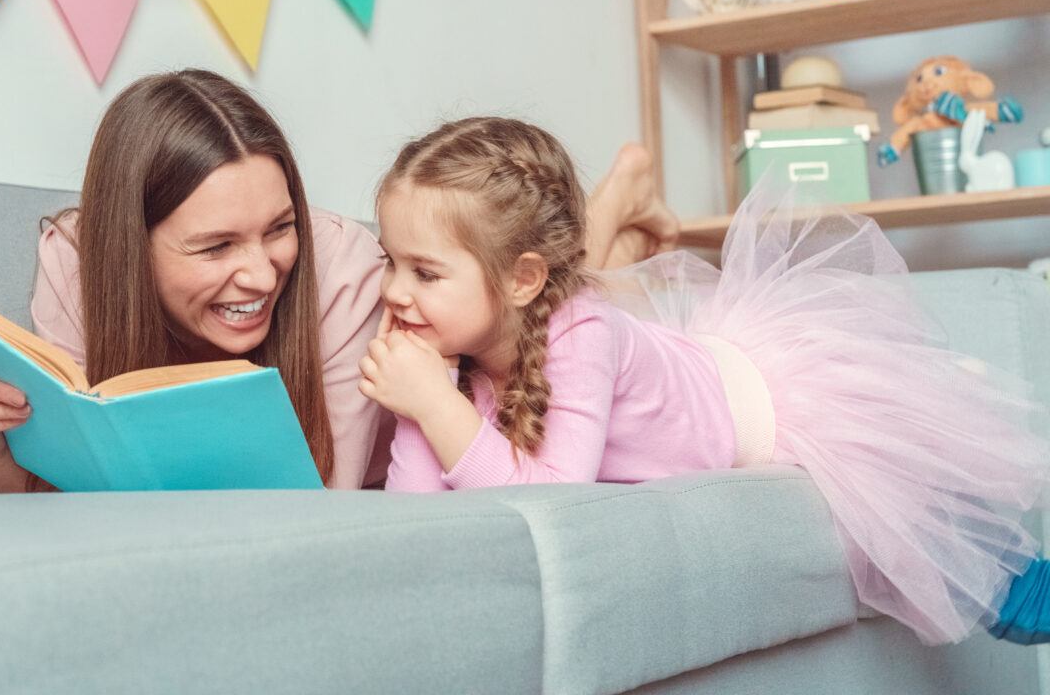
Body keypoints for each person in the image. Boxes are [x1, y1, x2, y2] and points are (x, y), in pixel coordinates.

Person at [359, 114, 1050, 646]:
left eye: (424, 272)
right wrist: (423, 400)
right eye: (391, 263)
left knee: (955, 555)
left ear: (523, 279)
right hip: (674, 378)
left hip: (766, 404)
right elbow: (418, 518)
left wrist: (428, 403)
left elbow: (555, 501)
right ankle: (630, 216)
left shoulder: (581, 331)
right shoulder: (453, 356)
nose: (395, 290)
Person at [0, 69, 678, 493]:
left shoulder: (350, 273)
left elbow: (332, 509)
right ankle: (614, 208)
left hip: (549, 330)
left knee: (566, 313)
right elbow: (61, 509)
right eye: (216, 245)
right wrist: (0, 448)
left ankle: (610, 208)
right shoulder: (73, 259)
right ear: (130, 247)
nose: (261, 272)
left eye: (279, 228)